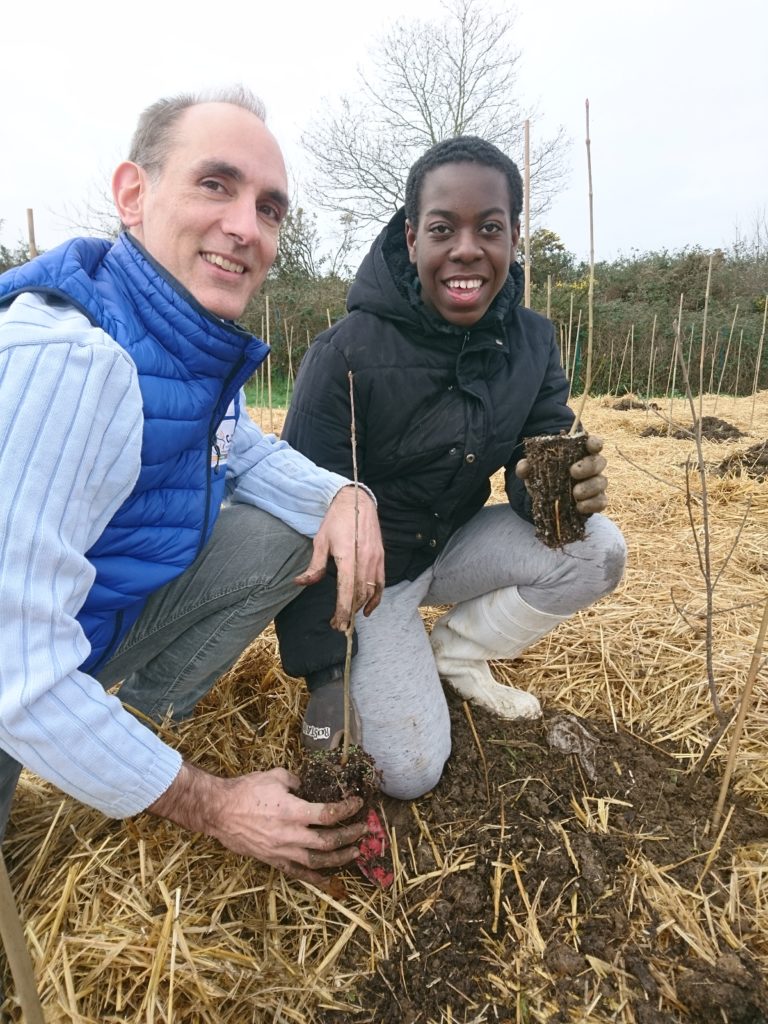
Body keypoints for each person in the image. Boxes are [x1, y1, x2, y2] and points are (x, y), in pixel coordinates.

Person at [0, 86, 386, 887]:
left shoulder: (183, 337)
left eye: (270, 208)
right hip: (17, 666)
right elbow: (9, 664)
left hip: (73, 639)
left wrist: (349, 496)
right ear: (132, 194)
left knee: (283, 531)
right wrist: (210, 802)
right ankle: (117, 760)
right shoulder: (71, 358)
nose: (247, 227)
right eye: (216, 185)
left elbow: (239, 447)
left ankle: (132, 730)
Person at [275, 136, 627, 800]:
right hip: (375, 582)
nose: (467, 248)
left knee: (598, 549)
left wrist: (558, 494)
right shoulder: (346, 353)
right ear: (412, 240)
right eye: (443, 229)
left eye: (489, 228)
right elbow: (302, 517)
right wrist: (327, 676)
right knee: (409, 772)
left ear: (514, 237)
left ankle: (457, 654)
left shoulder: (532, 341)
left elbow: (538, 453)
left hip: (457, 542)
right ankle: (392, 656)